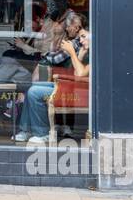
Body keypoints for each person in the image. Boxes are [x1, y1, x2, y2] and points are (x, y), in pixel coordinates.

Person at [16, 12, 90, 144]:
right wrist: (80, 53)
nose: (82, 39)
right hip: (68, 83)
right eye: (82, 37)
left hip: (74, 88)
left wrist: (73, 50)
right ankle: (26, 130)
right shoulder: (81, 45)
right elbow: (76, 68)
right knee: (30, 88)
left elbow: (78, 74)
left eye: (84, 36)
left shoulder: (81, 45)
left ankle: (43, 133)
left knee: (34, 92)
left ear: (77, 27)